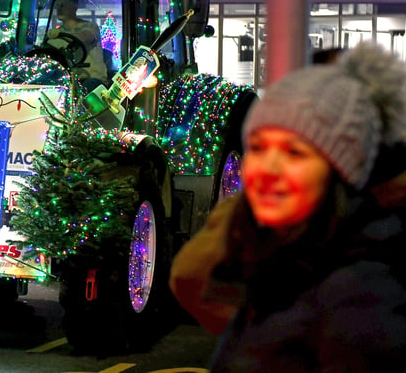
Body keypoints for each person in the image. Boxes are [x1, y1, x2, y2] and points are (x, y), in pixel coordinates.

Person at [170, 43, 406, 371]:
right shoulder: (288, 249)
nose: (267, 169)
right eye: (258, 147)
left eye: (295, 152)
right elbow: (193, 280)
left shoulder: (360, 292)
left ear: (341, 170)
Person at [46, 0, 108, 91]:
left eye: (63, 5)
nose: (59, 9)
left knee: (86, 89)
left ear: (75, 6)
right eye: (57, 6)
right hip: (66, 82)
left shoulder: (90, 27)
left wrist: (61, 35)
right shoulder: (55, 35)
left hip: (91, 80)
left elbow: (85, 37)